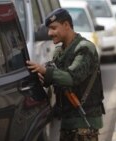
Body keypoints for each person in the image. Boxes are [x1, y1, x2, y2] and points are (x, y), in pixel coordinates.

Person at [26, 8, 105, 141]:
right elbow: (57, 77)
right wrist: (43, 78)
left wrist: (46, 71)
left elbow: (71, 77)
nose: (50, 33)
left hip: (84, 124)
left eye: (53, 28)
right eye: (49, 29)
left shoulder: (85, 48)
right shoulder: (60, 52)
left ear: (66, 25)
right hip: (67, 122)